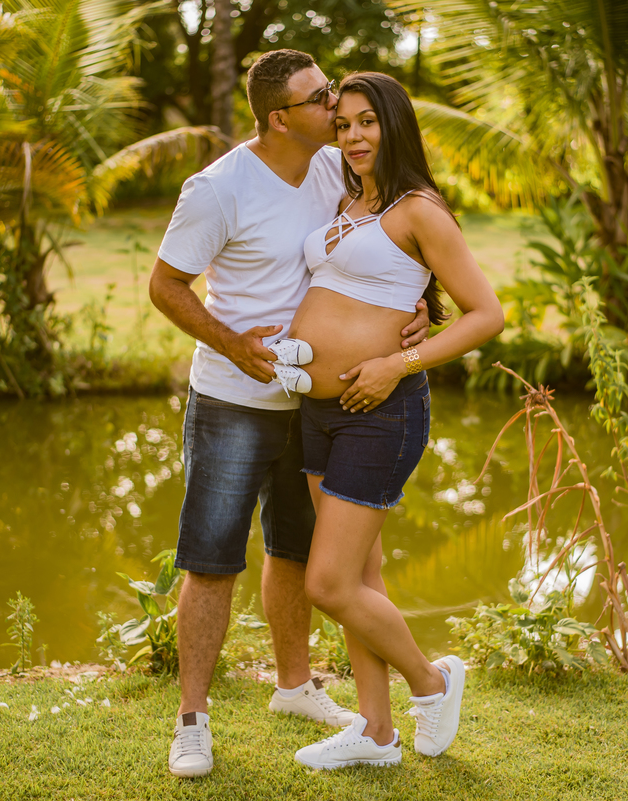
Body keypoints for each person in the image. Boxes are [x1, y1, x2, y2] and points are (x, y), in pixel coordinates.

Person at [147, 51, 430, 779]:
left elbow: (387, 246)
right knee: (212, 560)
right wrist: (232, 344)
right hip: (233, 403)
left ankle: (295, 686)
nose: (335, 105)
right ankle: (192, 719)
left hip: (316, 405)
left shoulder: (337, 169)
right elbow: (165, 285)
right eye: (321, 97)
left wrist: (417, 311)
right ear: (280, 117)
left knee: (296, 553)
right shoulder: (217, 189)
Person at [278, 72, 505, 770]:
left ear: (395, 124)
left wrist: (394, 365)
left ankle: (431, 681)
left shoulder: (419, 209)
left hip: (381, 412)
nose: (353, 136)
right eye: (343, 124)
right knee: (361, 577)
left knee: (328, 583)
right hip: (318, 409)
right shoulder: (347, 201)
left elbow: (486, 314)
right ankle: (375, 732)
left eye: (367, 122)